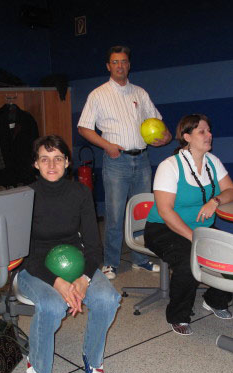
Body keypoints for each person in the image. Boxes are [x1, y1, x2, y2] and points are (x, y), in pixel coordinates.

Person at [17, 135, 121, 373]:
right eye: (45, 159)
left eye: (58, 159)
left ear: (67, 163)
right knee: (52, 304)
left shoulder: (80, 193)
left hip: (75, 264)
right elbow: (24, 254)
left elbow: (94, 247)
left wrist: (83, 279)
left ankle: (92, 357)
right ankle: (38, 365)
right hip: (35, 266)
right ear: (36, 164)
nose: (51, 165)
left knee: (107, 298)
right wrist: (58, 283)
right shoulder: (25, 196)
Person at [78, 45, 172, 280]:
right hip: (116, 161)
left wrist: (167, 137)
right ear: (108, 66)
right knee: (115, 214)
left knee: (142, 211)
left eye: (124, 61)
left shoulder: (140, 93)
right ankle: (110, 262)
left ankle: (140, 258)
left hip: (141, 159)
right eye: (115, 62)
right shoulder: (98, 95)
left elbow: (156, 122)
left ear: (129, 65)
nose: (120, 66)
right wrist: (106, 145)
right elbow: (83, 127)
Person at [144, 114, 233, 335]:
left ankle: (214, 300)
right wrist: (194, 238)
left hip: (201, 229)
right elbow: (166, 211)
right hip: (164, 228)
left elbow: (232, 191)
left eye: (209, 130)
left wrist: (215, 201)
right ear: (187, 137)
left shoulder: (212, 162)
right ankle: (177, 314)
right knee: (189, 260)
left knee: (230, 254)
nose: (209, 135)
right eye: (202, 132)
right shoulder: (170, 166)